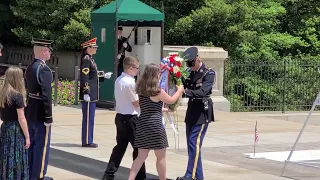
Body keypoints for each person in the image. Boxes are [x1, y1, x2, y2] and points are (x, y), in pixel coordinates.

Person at [128, 63, 184, 180]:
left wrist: (162, 109)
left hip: (143, 124)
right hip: (155, 125)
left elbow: (146, 105)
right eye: (159, 74)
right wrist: (180, 90)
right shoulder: (158, 91)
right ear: (155, 75)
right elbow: (171, 99)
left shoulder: (140, 89)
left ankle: (131, 178)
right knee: (161, 157)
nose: (160, 76)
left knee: (140, 157)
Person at [102, 56, 146, 180]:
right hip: (131, 119)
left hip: (120, 117)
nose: (138, 71)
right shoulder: (130, 82)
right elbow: (136, 102)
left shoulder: (119, 79)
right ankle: (140, 176)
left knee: (120, 148)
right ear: (130, 68)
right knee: (138, 149)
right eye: (137, 68)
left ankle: (108, 174)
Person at [176, 47, 215, 180]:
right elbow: (182, 83)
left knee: (194, 143)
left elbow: (203, 92)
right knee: (192, 145)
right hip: (192, 111)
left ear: (198, 59)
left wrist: (184, 92)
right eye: (188, 64)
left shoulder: (209, 73)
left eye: (191, 64)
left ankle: (190, 175)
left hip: (202, 113)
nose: (190, 67)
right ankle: (199, 176)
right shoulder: (189, 72)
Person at [25, 38, 54, 180]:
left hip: (30, 111)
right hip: (41, 113)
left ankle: (30, 173)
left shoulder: (30, 67)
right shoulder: (44, 69)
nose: (50, 54)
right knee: (41, 147)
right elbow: (46, 96)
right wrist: (48, 117)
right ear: (43, 51)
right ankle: (39, 175)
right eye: (49, 51)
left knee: (31, 144)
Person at [80, 37, 112, 148]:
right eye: (94, 47)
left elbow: (93, 75)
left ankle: (89, 139)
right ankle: (87, 141)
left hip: (92, 93)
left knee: (91, 118)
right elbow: (84, 77)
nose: (96, 49)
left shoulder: (90, 59)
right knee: (88, 118)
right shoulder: (86, 59)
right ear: (88, 48)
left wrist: (103, 76)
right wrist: (86, 92)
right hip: (89, 93)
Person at [0, 67, 30, 180]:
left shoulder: (2, 93)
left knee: (5, 155)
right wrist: (27, 136)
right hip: (15, 129)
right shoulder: (17, 96)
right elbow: (21, 118)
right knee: (16, 156)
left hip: (5, 127)